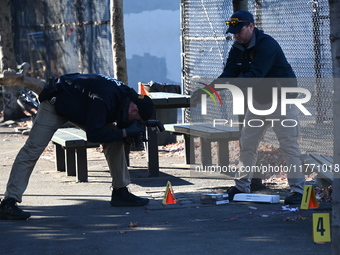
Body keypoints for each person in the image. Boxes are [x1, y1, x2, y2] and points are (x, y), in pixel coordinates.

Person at [0, 73, 155, 220]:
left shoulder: (127, 97)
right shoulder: (105, 98)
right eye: (136, 118)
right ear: (134, 108)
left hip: (80, 106)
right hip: (55, 103)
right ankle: (9, 202)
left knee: (115, 139)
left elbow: (117, 124)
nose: (133, 121)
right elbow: (94, 135)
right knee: (32, 149)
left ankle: (121, 192)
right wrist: (126, 132)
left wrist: (143, 125)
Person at [192, 11, 305, 204]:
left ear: (251, 26)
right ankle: (240, 187)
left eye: (239, 30)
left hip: (282, 100)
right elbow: (228, 73)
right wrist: (208, 91)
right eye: (233, 32)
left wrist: (228, 87)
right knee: (247, 143)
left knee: (289, 146)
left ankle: (298, 191)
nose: (235, 35)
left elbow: (255, 75)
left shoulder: (267, 45)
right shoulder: (237, 48)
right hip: (259, 102)